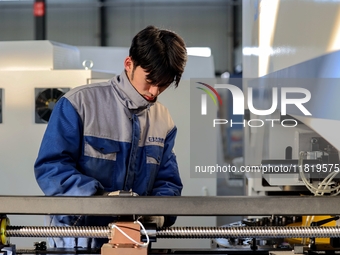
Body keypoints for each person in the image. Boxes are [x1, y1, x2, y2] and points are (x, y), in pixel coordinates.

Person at [34, 25, 187, 249]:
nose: (154, 92)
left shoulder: (163, 120)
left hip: (132, 244)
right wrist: (102, 199)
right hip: (77, 243)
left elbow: (168, 181)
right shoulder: (79, 105)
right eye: (150, 80)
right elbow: (51, 168)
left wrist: (159, 213)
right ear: (129, 64)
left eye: (163, 85)